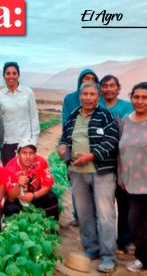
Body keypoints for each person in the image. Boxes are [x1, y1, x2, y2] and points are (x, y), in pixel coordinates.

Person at [58, 82, 119, 273]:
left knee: (105, 216)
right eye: (85, 94)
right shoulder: (73, 117)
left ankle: (108, 256)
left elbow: (112, 139)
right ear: (80, 96)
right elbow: (64, 139)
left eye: (92, 94)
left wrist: (91, 155)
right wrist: (63, 149)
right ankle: (91, 249)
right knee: (84, 215)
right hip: (78, 174)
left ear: (98, 96)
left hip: (102, 173)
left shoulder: (105, 115)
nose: (88, 97)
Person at [99, 75, 134, 254]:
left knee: (124, 202)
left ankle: (125, 240)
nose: (108, 89)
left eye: (112, 86)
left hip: (124, 161)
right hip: (102, 162)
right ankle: (105, 240)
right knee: (104, 205)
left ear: (118, 88)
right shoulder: (97, 107)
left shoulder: (127, 108)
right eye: (104, 86)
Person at [62, 69, 99, 227]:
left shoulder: (98, 99)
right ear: (80, 81)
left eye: (92, 79)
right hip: (73, 145)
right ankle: (78, 216)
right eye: (85, 78)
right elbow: (65, 120)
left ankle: (94, 217)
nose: (88, 81)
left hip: (92, 148)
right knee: (76, 182)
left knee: (93, 184)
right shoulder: (70, 98)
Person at [118, 83, 147, 273]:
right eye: (136, 97)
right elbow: (120, 151)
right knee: (134, 224)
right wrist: (121, 176)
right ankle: (142, 258)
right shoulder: (125, 121)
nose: (140, 101)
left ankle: (144, 260)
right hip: (131, 184)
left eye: (145, 98)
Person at [0, 62, 40, 166]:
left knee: (26, 177)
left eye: (14, 73)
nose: (11, 76)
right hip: (7, 143)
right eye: (8, 73)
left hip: (26, 143)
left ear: (18, 75)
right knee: (9, 176)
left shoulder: (28, 92)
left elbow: (34, 117)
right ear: (3, 76)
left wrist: (34, 141)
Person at [4, 139, 59, 221]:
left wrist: (34, 195)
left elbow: (48, 185)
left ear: (35, 154)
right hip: (18, 199)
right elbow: (10, 198)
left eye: (31, 153)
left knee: (51, 198)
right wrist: (18, 185)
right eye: (24, 153)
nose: (28, 157)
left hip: (35, 195)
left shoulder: (41, 161)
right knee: (10, 208)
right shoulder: (9, 168)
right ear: (18, 154)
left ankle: (51, 227)